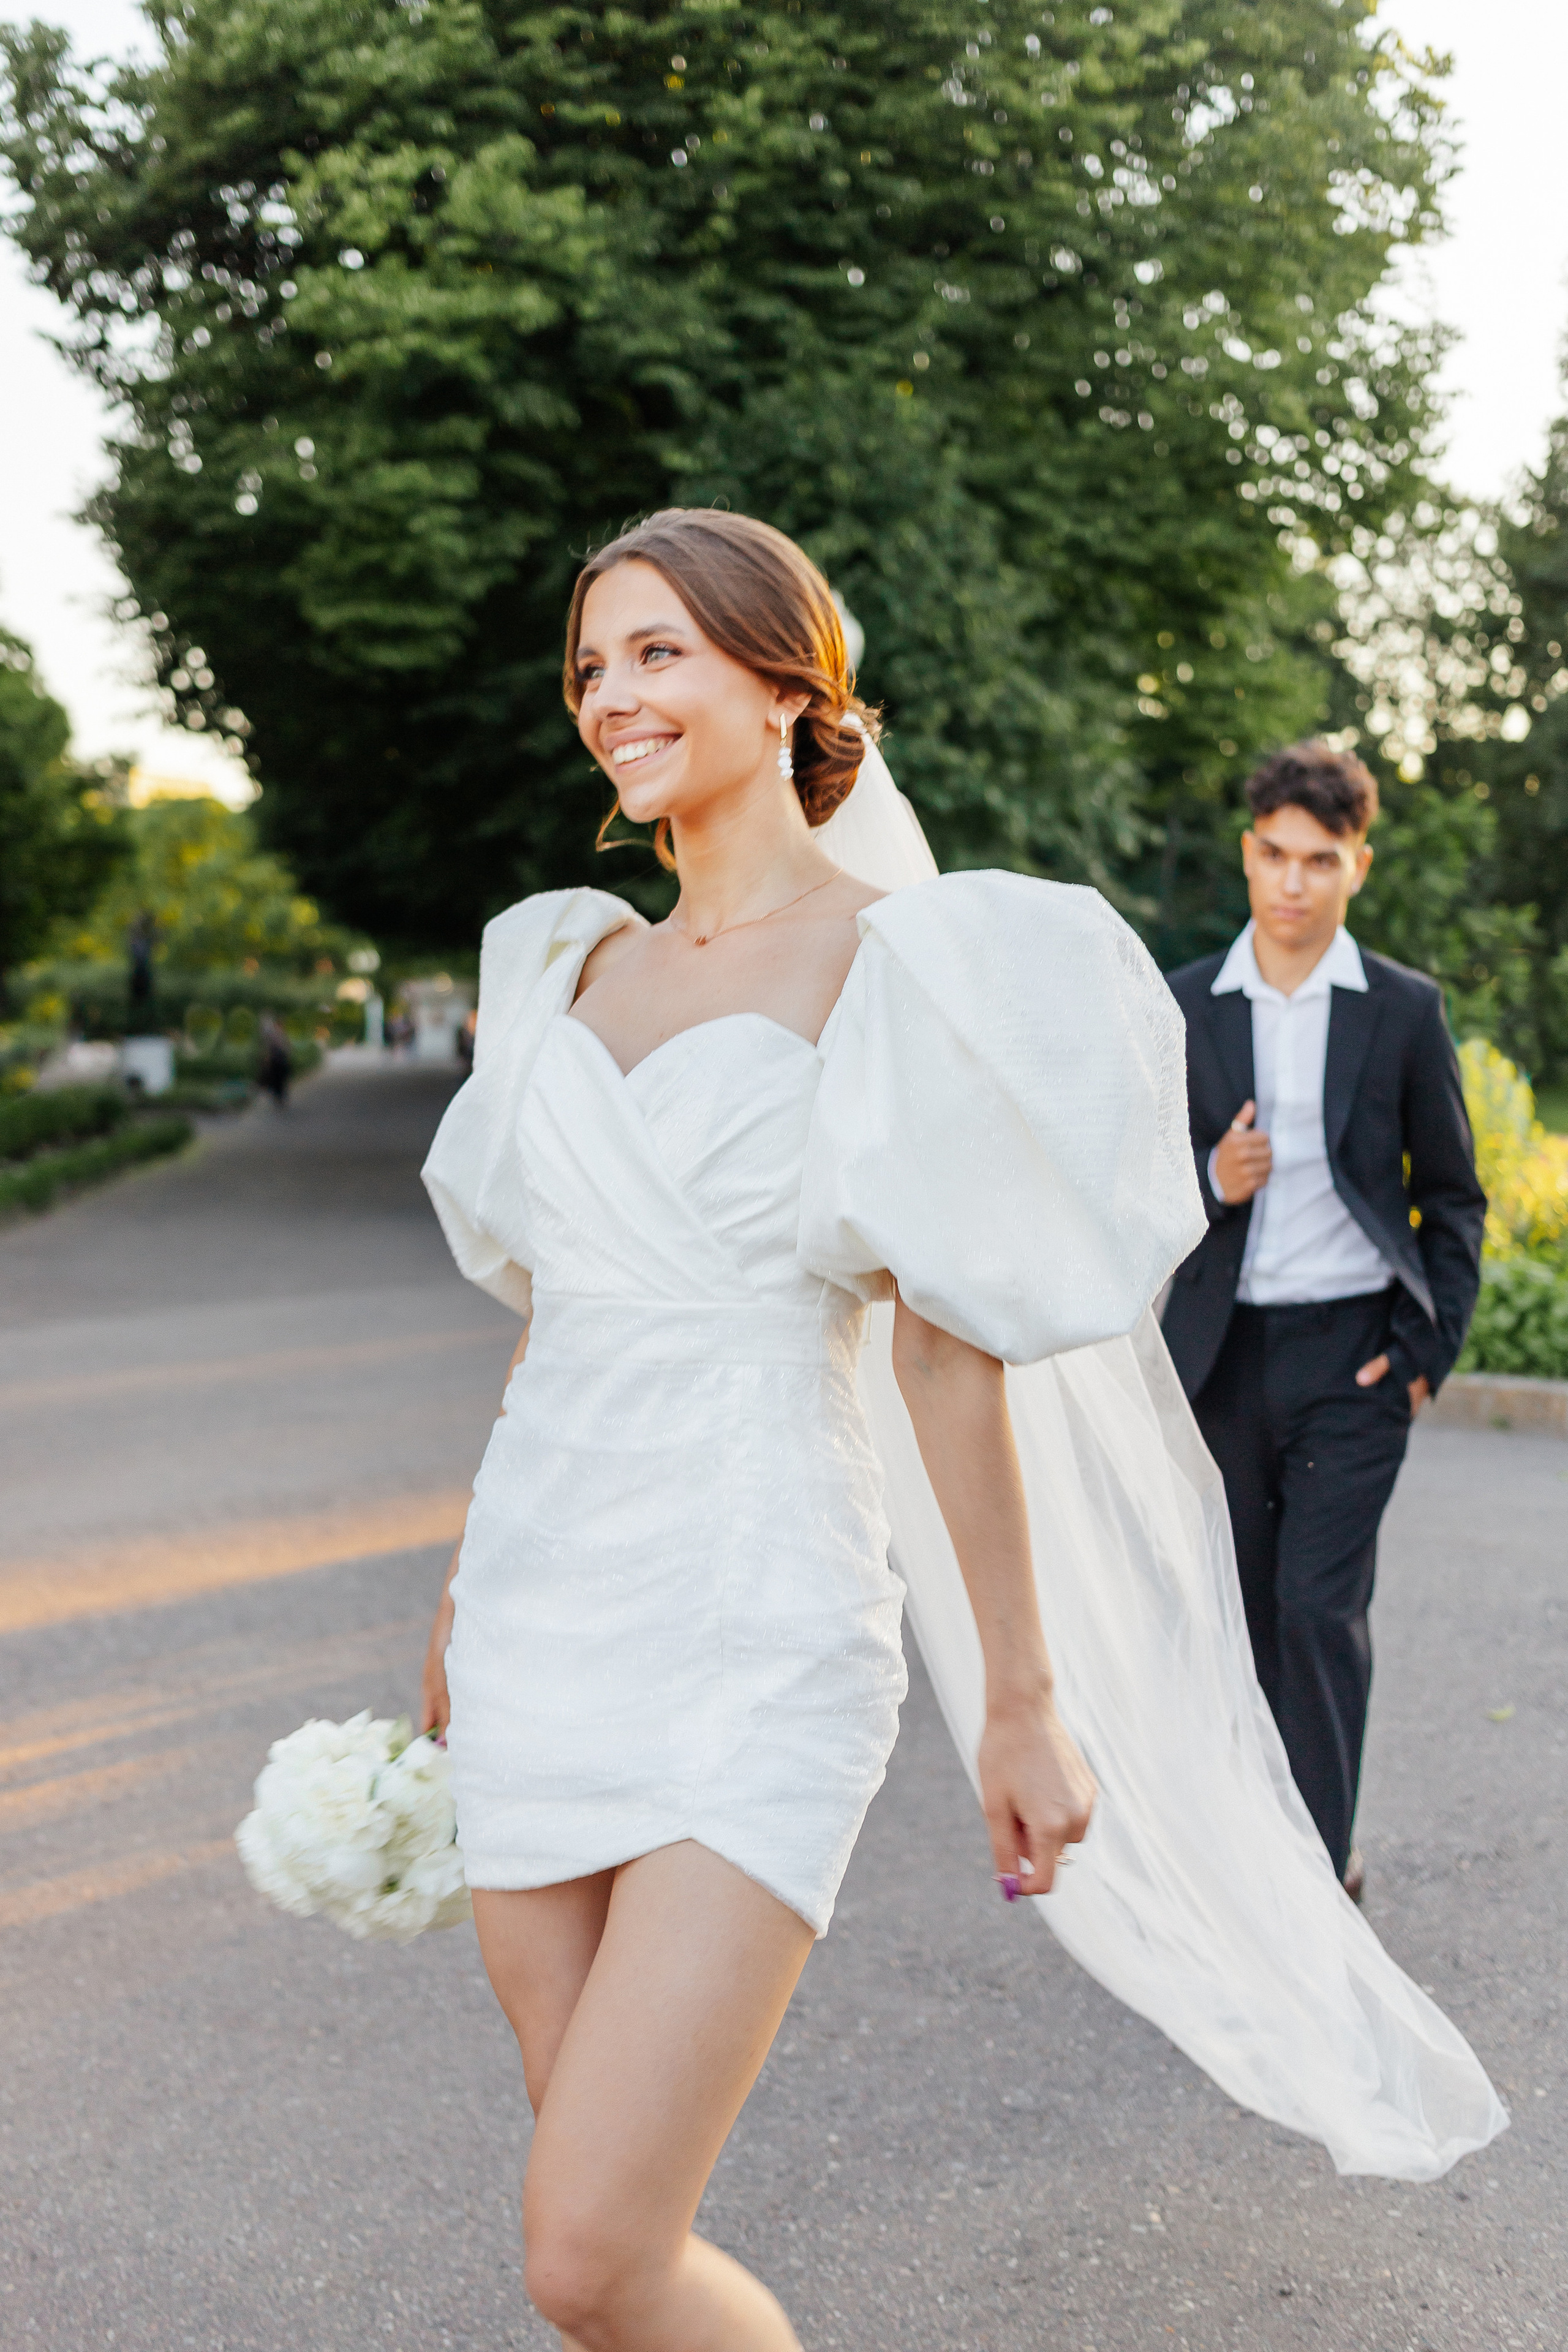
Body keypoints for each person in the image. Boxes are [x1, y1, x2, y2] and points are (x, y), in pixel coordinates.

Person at [419, 518, 1502, 2352]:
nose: (614, 696)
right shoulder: (557, 972)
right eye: (593, 666)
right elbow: (552, 1328)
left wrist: (1020, 1690)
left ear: (786, 684)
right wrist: (460, 1593)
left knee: (588, 2250)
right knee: (600, 2232)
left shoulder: (911, 961)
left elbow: (946, 1354)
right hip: (540, 1618)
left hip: (757, 1618)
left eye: (662, 652)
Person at [1161, 743, 1486, 1902]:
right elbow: (1135, 1182)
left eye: (1321, 861)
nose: (1294, 882)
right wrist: (1213, 1174)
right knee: (1244, 1616)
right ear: (1250, 855)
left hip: (1354, 1356)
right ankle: (1254, 1856)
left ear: (1356, 866)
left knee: (1318, 1610)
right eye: (1276, 857)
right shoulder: (1189, 1003)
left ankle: (1316, 1874)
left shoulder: (1400, 1010)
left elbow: (1452, 1196)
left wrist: (1423, 1357)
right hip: (1228, 1361)